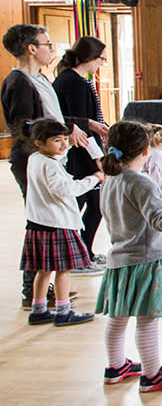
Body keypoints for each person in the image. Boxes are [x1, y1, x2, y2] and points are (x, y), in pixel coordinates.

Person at [96, 121, 162, 392]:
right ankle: (152, 375)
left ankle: (115, 367)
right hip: (146, 260)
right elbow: (159, 219)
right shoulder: (142, 182)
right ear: (145, 150)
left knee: (117, 318)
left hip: (118, 260)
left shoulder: (110, 181)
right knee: (147, 320)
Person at [2, 24, 88, 308]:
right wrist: (61, 135)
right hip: (33, 160)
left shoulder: (39, 78)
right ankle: (33, 291)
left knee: (50, 220)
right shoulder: (19, 82)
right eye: (47, 44)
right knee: (41, 223)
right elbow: (25, 126)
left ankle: (40, 290)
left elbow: (52, 117)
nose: (52, 49)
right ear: (31, 48)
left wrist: (79, 125)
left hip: (49, 158)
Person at [21, 119, 104, 326]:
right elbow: (67, 190)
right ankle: (63, 311)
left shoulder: (35, 158)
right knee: (63, 270)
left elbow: (59, 163)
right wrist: (94, 178)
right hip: (57, 224)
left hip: (38, 223)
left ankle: (38, 310)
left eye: (65, 139)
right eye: (57, 140)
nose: (64, 144)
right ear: (39, 142)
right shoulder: (51, 166)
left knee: (43, 269)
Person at [53, 36, 113, 272]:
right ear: (89, 57)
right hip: (81, 153)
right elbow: (80, 126)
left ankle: (84, 253)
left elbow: (86, 120)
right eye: (101, 59)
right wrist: (98, 158)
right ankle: (76, 256)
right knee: (80, 206)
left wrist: (97, 126)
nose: (101, 64)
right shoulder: (72, 82)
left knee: (94, 206)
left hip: (86, 149)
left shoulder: (78, 80)